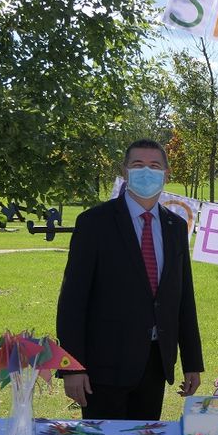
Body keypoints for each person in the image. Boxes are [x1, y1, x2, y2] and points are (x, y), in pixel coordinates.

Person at [57, 139, 203, 420]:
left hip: (154, 364)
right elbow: (73, 301)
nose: (146, 171)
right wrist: (72, 367)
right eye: (138, 165)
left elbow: (183, 300)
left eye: (154, 165)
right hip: (103, 367)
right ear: (125, 171)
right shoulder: (94, 223)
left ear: (166, 173)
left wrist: (192, 363)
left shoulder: (175, 228)